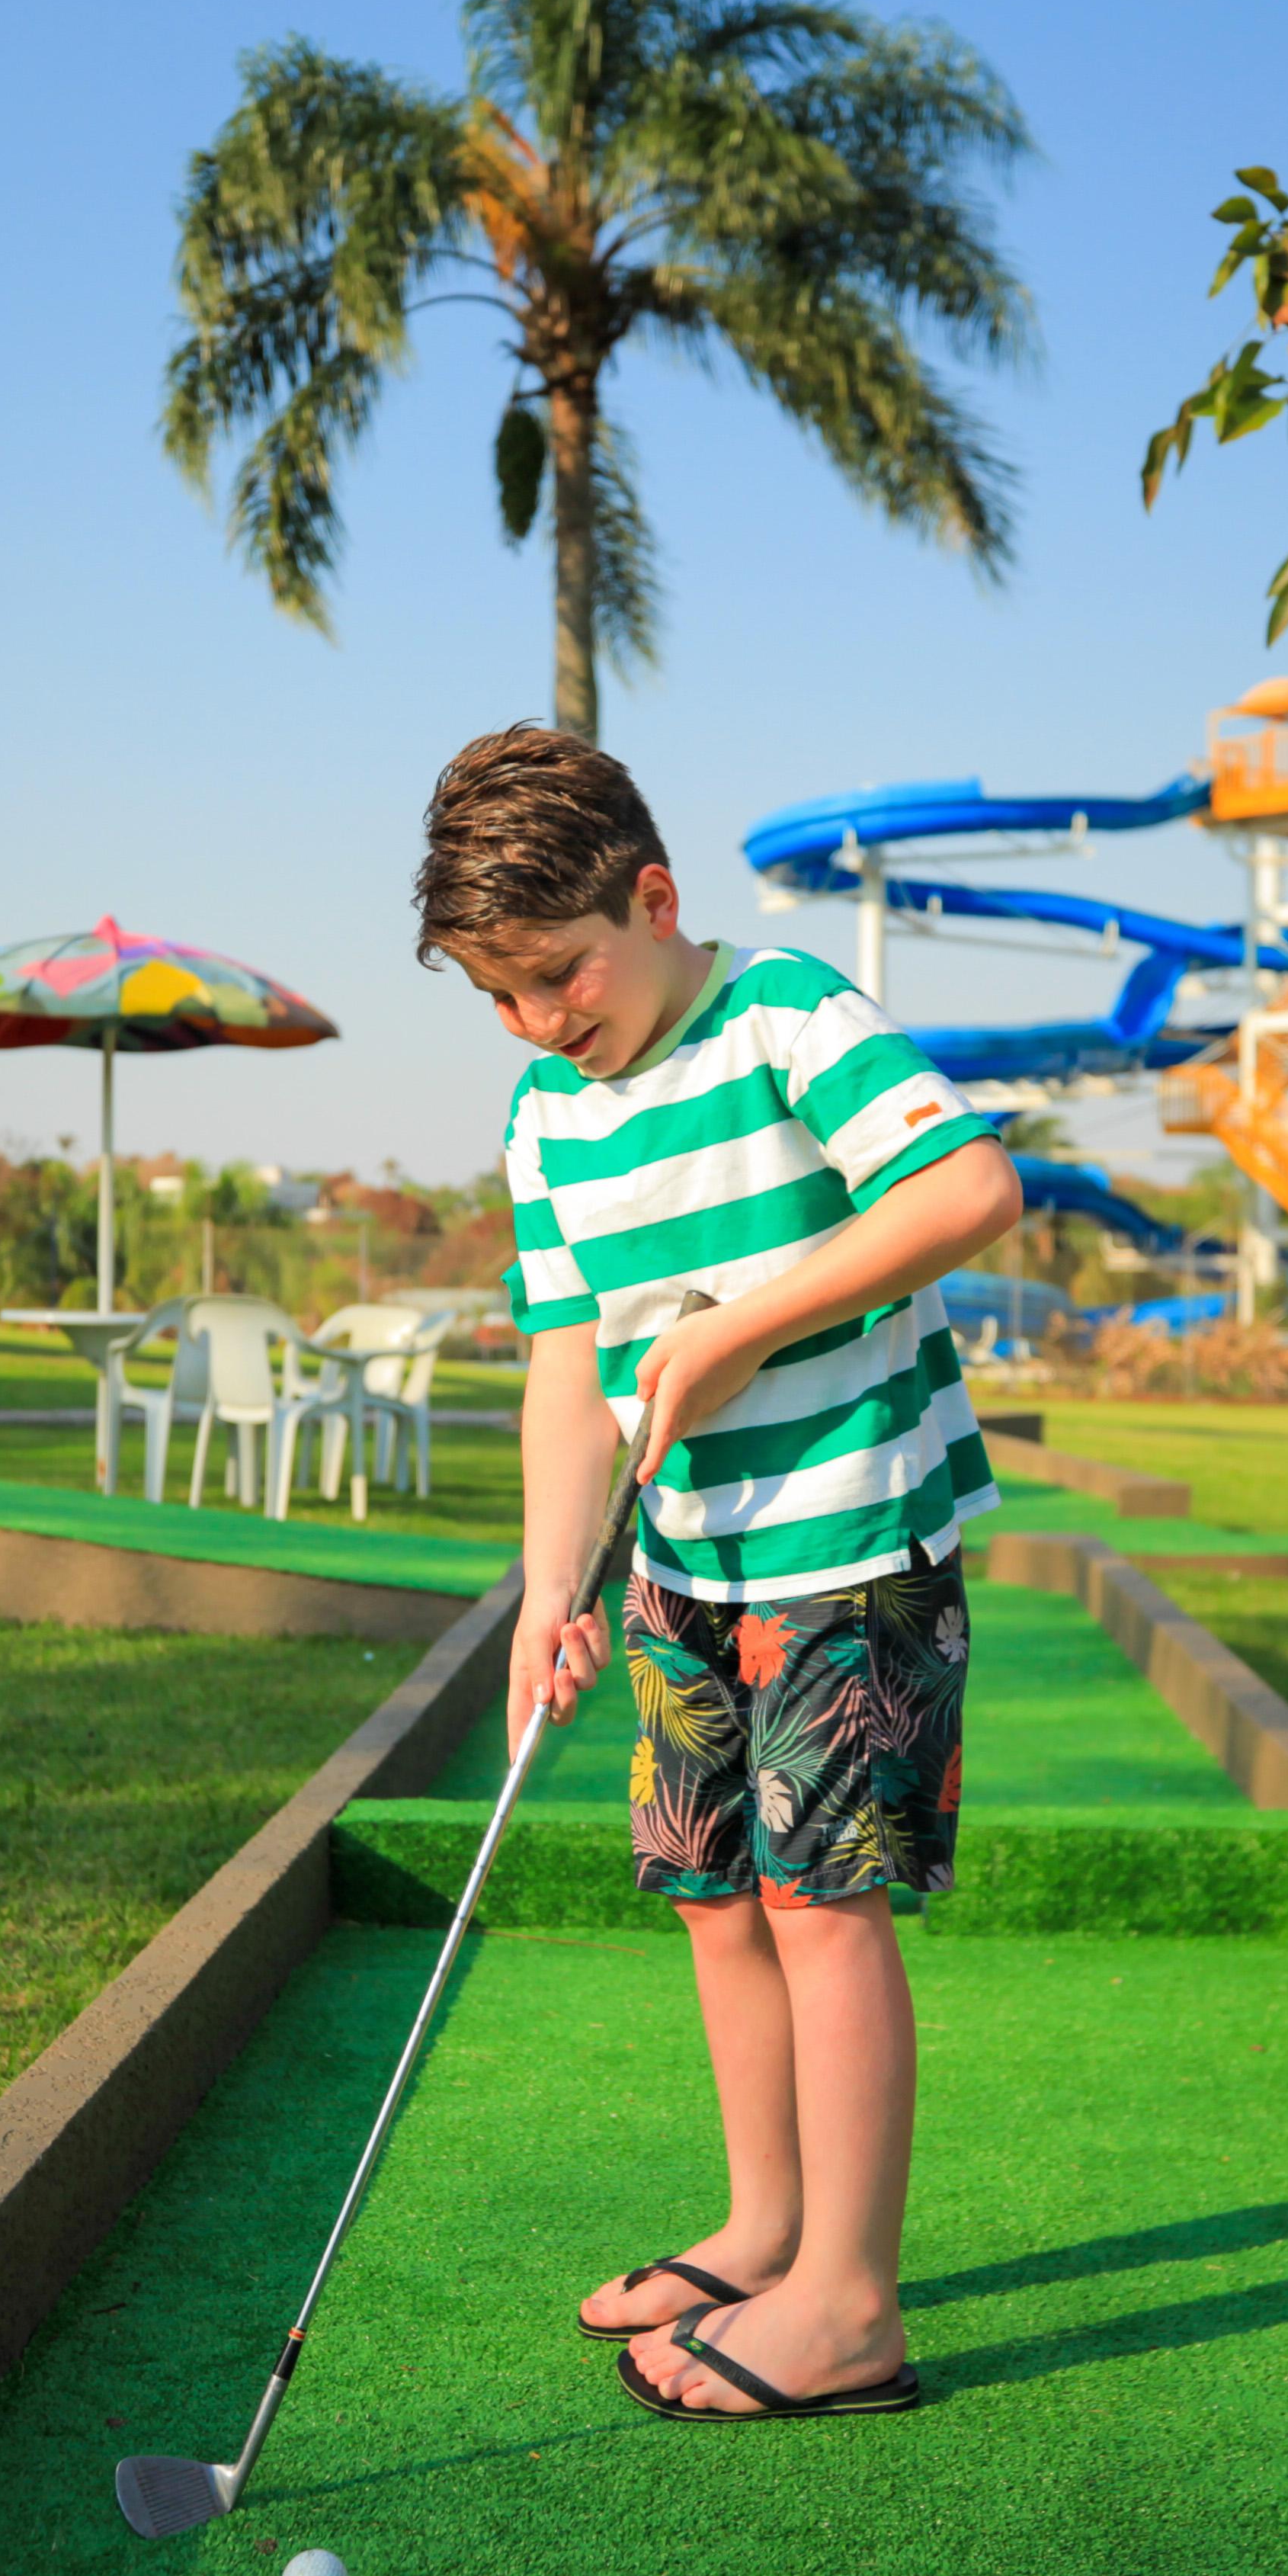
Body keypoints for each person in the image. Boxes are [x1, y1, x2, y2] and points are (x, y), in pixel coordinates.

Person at [415, 723, 1022, 2421]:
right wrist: (555, 1585)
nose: (540, 1023)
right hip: (683, 1557)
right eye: (498, 996)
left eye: (559, 976)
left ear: (655, 898)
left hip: (854, 1545)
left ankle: (850, 2302)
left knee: (825, 1907)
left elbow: (971, 1188)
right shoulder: (547, 1110)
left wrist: (745, 1325)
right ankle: (767, 2228)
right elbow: (564, 1363)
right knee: (714, 1894)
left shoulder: (784, 1015)